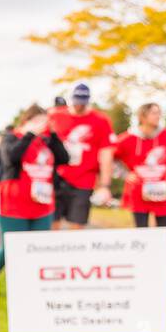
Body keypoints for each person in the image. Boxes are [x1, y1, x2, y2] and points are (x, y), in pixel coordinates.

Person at [0, 105, 69, 298]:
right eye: (38, 120)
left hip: (41, 203)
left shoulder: (47, 141)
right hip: (14, 203)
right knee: (12, 246)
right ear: (27, 121)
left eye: (45, 120)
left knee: (37, 247)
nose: (42, 125)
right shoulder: (13, 137)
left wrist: (54, 137)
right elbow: (11, 158)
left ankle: (29, 286)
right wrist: (29, 134)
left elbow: (64, 158)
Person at [113, 103, 166, 237]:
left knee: (164, 236)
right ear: (143, 117)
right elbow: (108, 156)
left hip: (164, 194)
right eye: (154, 113)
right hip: (139, 193)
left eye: (159, 112)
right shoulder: (128, 138)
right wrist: (124, 174)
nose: (158, 116)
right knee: (142, 236)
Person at [47, 83, 114, 230]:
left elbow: (106, 154)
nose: (79, 105)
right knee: (52, 222)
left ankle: (73, 252)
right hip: (57, 177)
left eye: (82, 101)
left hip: (84, 179)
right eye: (76, 101)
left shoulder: (100, 120)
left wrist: (105, 185)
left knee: (77, 225)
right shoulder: (55, 116)